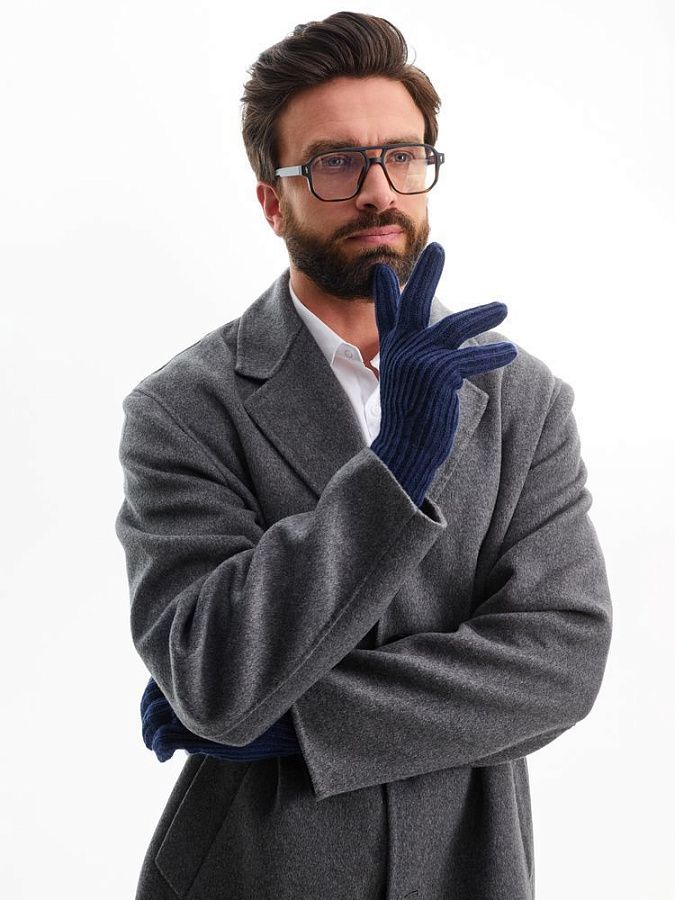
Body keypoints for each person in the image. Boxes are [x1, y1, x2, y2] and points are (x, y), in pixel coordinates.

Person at [115, 12, 612, 900]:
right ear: (274, 201)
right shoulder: (184, 407)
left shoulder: (523, 398)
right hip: (253, 871)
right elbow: (213, 677)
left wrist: (304, 721)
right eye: (336, 162)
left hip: (466, 866)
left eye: (402, 156)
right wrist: (394, 472)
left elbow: (559, 662)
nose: (378, 190)